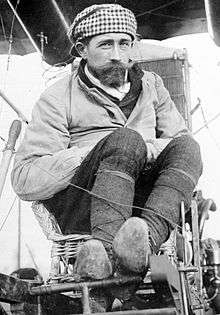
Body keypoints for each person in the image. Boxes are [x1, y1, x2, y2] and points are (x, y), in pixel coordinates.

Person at [11, 3, 202, 311]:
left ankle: (134, 251)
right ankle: (110, 258)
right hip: (83, 206)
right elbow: (24, 178)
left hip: (145, 209)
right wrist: (95, 153)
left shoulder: (153, 86)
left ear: (133, 47)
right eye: (105, 44)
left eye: (124, 43)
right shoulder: (57, 98)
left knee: (189, 148)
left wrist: (144, 149)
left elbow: (177, 142)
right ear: (81, 49)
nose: (117, 54)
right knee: (124, 141)